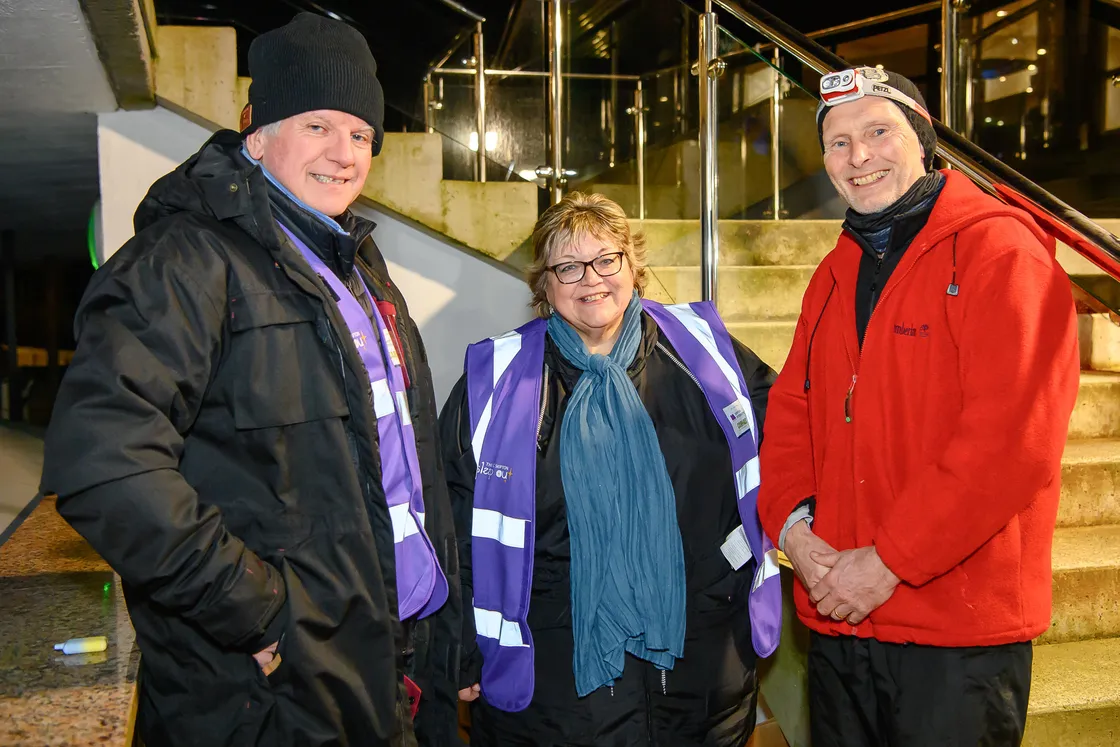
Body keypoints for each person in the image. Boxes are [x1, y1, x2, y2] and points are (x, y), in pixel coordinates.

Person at [39, 12, 462, 747]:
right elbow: (103, 464)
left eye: (361, 134)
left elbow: (403, 469)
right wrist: (258, 611)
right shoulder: (183, 261)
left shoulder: (360, 270)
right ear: (257, 135)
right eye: (317, 126)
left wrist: (445, 631)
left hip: (384, 657)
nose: (344, 154)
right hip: (274, 688)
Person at [758, 67, 1080, 746]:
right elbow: (792, 412)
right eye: (839, 142)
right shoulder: (833, 272)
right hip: (840, 619)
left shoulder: (1002, 252)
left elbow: (1010, 443)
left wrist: (887, 563)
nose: (859, 155)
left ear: (924, 141)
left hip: (956, 634)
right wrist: (793, 532)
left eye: (878, 132)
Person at [438, 192, 783, 746]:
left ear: (632, 265)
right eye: (568, 267)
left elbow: (788, 438)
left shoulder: (705, 352)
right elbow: (452, 519)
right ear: (544, 285)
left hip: (700, 670)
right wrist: (456, 646)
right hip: (557, 688)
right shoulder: (495, 381)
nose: (591, 279)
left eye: (606, 259)